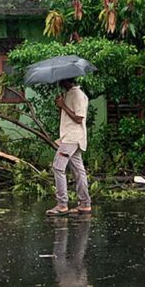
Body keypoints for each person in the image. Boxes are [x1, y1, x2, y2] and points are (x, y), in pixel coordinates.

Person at [46, 78, 91, 216]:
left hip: (72, 139)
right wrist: (60, 106)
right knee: (78, 170)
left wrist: (64, 106)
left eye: (61, 81)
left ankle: (62, 204)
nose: (58, 82)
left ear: (66, 80)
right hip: (69, 137)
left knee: (58, 167)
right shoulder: (68, 94)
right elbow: (66, 116)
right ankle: (85, 204)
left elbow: (79, 118)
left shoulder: (78, 95)